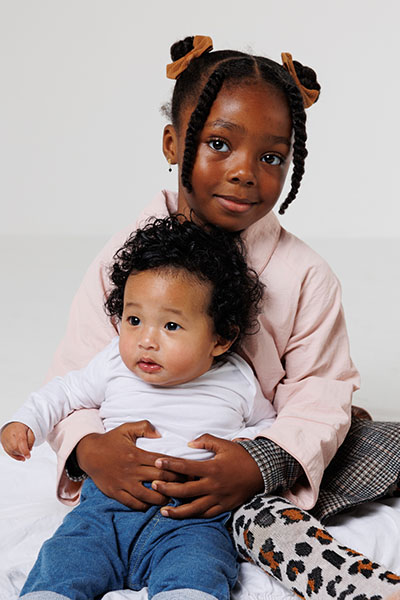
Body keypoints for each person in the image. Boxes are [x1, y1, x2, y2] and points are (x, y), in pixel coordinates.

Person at [16, 35, 400, 598]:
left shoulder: (305, 275)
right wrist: (89, 450)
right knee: (74, 549)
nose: (245, 172)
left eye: (271, 157)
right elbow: (76, 371)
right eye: (219, 143)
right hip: (141, 463)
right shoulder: (125, 259)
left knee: (359, 438)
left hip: (244, 453)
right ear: (173, 143)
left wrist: (257, 463)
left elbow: (319, 389)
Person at [1, 216, 277, 600]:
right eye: (134, 320)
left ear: (221, 337)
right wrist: (25, 421)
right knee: (65, 556)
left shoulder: (238, 381)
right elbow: (64, 391)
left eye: (171, 326)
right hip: (107, 509)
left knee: (200, 566)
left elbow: (269, 428)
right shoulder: (113, 364)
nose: (146, 340)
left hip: (192, 519)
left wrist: (239, 444)